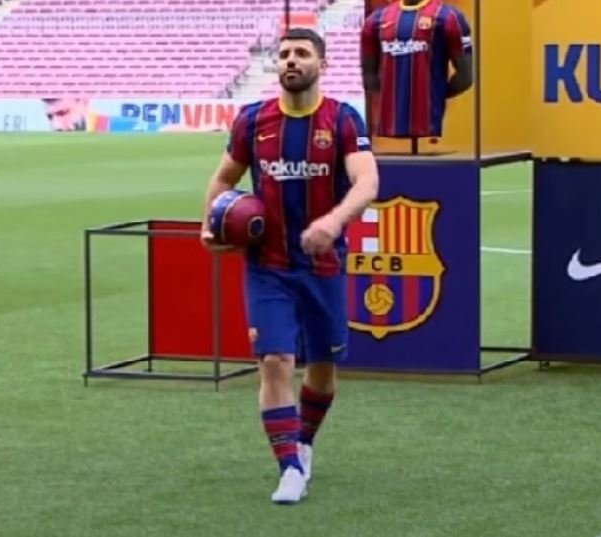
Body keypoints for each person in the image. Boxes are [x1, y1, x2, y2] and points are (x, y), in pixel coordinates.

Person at [200, 27, 379, 504]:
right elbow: (223, 179)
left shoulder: (342, 119)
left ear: (323, 63)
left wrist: (334, 221)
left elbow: (367, 182)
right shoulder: (252, 120)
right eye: (284, 54)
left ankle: (305, 442)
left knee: (322, 366)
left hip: (323, 265)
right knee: (275, 361)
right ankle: (290, 469)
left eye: (301, 53)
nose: (291, 60)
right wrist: (208, 226)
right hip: (268, 267)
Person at [360, 0, 474, 139]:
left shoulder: (448, 17)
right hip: (390, 121)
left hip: (429, 120)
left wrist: (437, 94)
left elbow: (466, 77)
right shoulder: (375, 20)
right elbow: (369, 77)